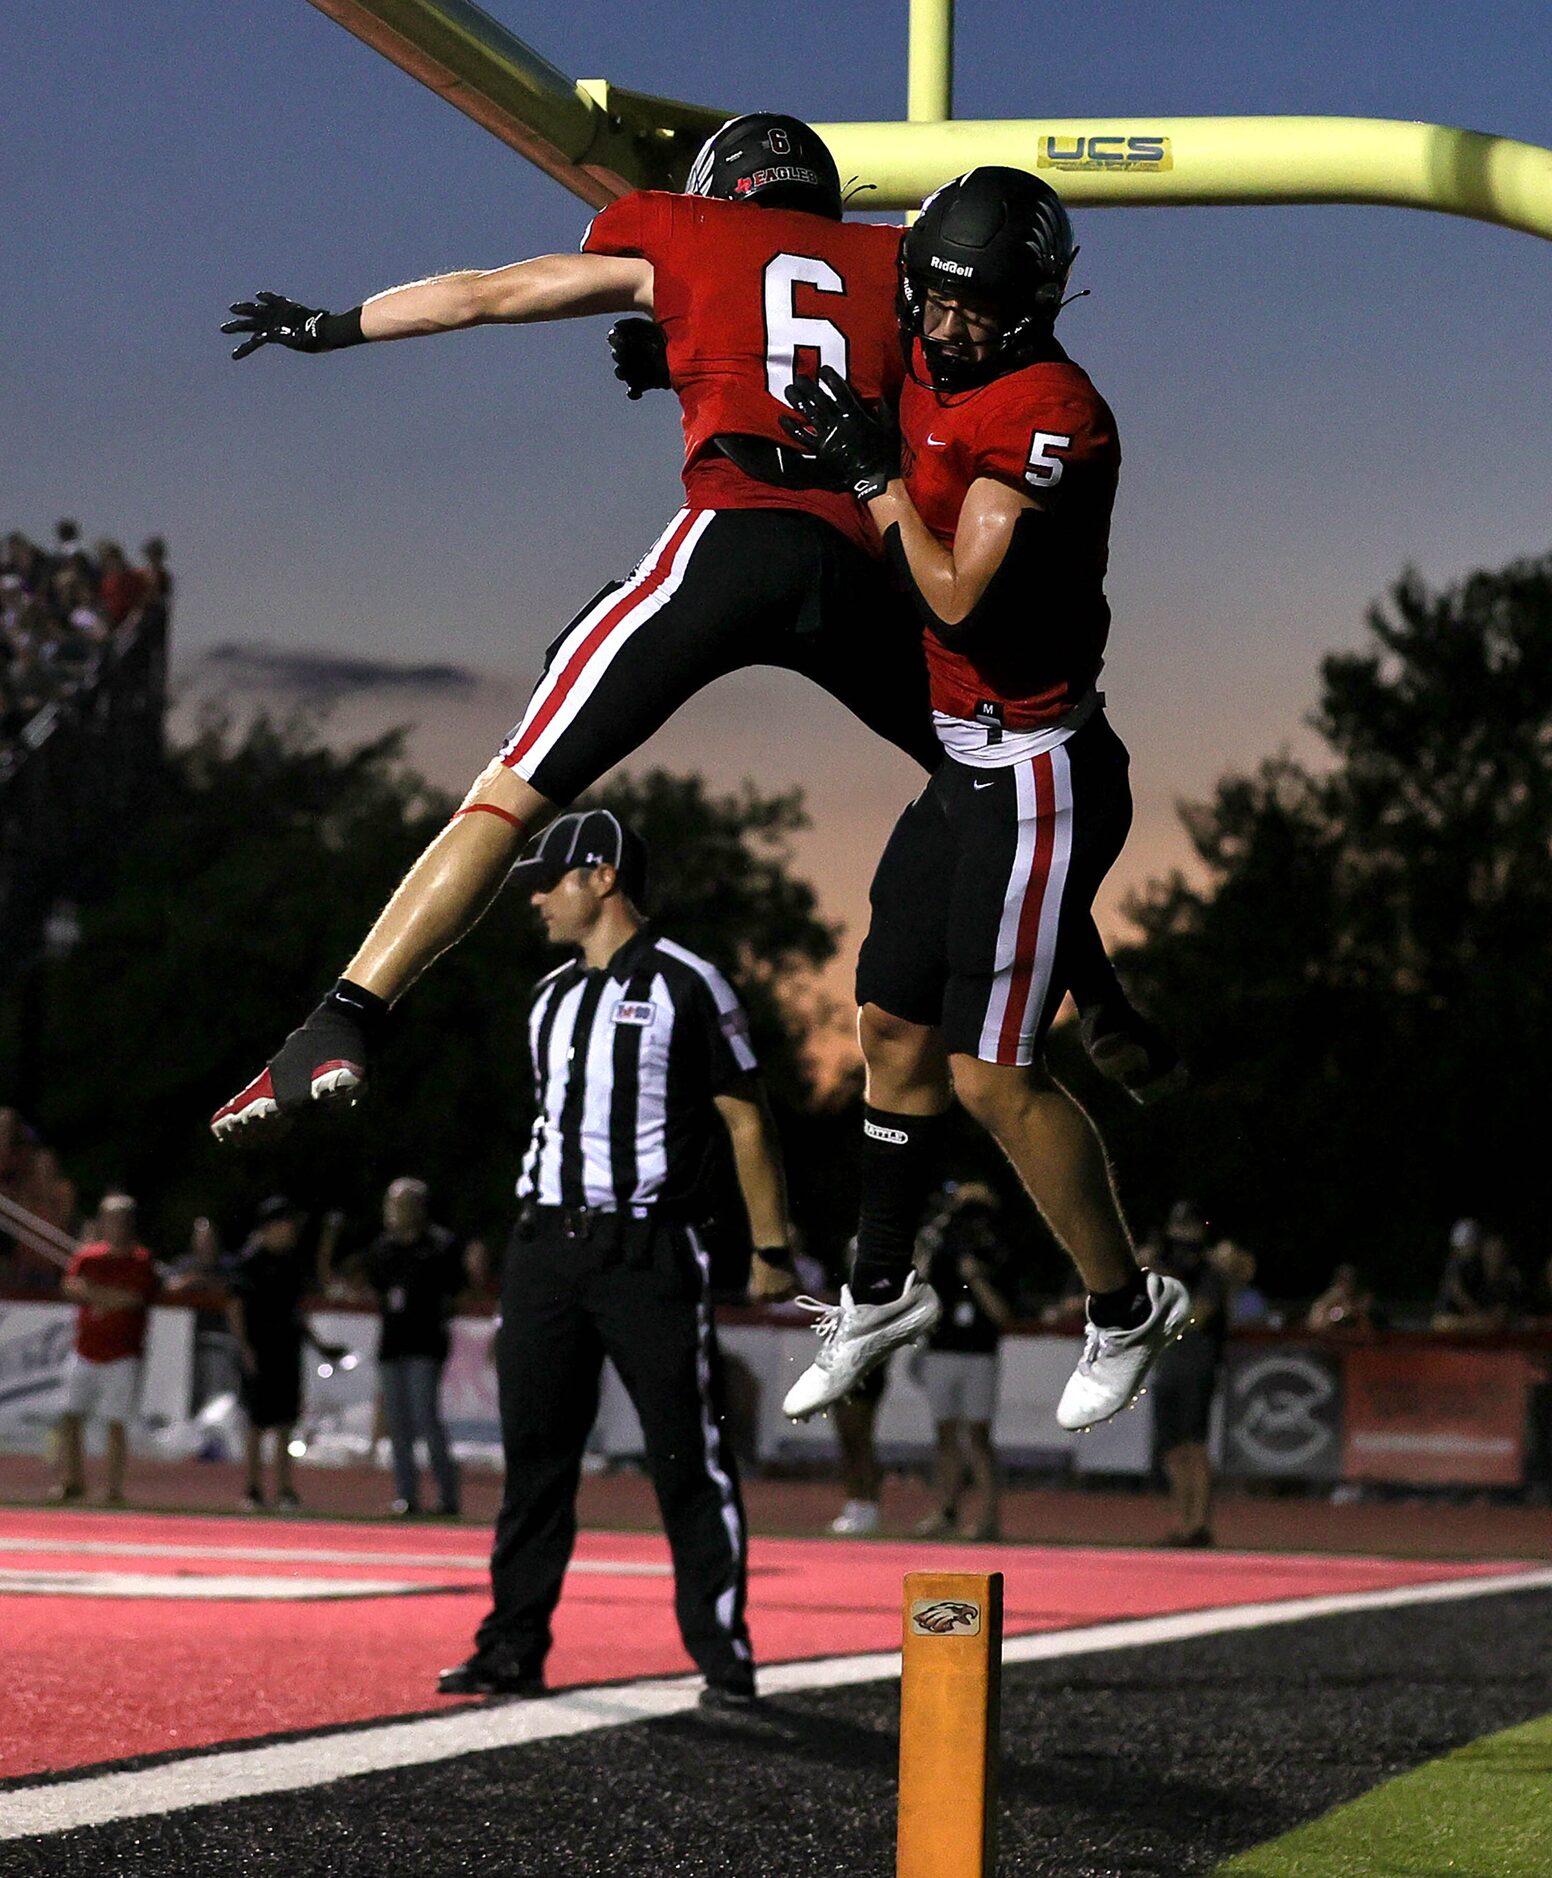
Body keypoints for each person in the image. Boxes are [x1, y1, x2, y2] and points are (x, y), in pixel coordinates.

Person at [210, 114, 1173, 1147]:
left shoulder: (678, 229)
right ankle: (1101, 997)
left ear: (721, 187)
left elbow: (484, 294)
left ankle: (341, 1020)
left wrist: (331, 326)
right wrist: (688, 358)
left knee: (519, 783)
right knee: (994, 784)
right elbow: (924, 390)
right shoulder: (902, 264)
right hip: (860, 560)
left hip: (733, 539)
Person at [776, 167, 1189, 1427]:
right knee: (887, 1032)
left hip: (1036, 768)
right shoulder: (922, 351)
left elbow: (955, 593)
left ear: (1033, 305)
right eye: (934, 301)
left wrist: (874, 481)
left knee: (989, 1076)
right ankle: (876, 1288)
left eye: (974, 309)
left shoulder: (1051, 409)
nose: (944, 328)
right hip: (963, 761)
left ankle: (1126, 1307)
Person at [436, 809, 796, 1708]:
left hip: (647, 1248)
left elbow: (746, 1118)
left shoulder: (688, 983)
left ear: (602, 877)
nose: (535, 896)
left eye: (549, 878)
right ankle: (512, 1646)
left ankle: (722, 1651)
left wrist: (771, 1248)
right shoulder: (549, 997)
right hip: (546, 1248)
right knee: (536, 1462)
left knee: (686, 1456)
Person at [354, 1176, 467, 1517]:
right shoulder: (384, 1248)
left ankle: (447, 1496)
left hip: (425, 1343)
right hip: (393, 1342)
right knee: (397, 1423)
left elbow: (457, 1290)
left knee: (426, 1419)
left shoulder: (440, 1245)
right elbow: (375, 1288)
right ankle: (407, 1495)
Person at [911, 1182, 1013, 1542]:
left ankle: (989, 1517)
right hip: (942, 1350)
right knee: (945, 1436)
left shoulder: (995, 1250)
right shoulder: (941, 1248)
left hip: (979, 1354)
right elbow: (917, 1285)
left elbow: (1002, 1314)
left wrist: (977, 1278)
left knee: (979, 1437)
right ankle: (946, 1510)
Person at [227, 1196, 340, 1510]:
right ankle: (252, 1488)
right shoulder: (250, 1262)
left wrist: (318, 1345)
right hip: (260, 1349)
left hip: (286, 1350)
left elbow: (297, 1311)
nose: (292, 1231)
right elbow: (235, 1307)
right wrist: (245, 1348)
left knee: (285, 1422)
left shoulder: (291, 1263)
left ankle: (285, 1489)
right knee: (256, 1422)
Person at [52, 1193, 157, 1505]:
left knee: (116, 1422)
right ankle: (73, 1482)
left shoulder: (140, 1260)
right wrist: (109, 1298)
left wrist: (95, 1296)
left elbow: (134, 1298)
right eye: (112, 1220)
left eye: (123, 1221)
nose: (118, 1227)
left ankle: (112, 1487)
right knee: (70, 1416)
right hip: (85, 1349)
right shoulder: (88, 1257)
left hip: (121, 1354)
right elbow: (71, 1287)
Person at [1144, 1202, 1227, 1547]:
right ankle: (1181, 1522)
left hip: (1196, 1366)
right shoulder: (1163, 1270)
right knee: (1172, 1451)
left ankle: (1199, 1524)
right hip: (1167, 1366)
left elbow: (1200, 1317)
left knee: (1194, 1447)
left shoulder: (1208, 1272)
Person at [1432, 1223, 1523, 1332]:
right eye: (1490, 1250)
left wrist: (1474, 1320)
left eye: (1498, 1251)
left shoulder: (1508, 1281)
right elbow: (1440, 1322)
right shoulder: (1471, 1274)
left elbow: (1498, 1321)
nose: (1494, 1255)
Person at [1306, 1261, 1376, 1333]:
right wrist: (1344, 1311)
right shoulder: (1329, 1298)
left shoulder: (1360, 1296)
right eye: (1343, 1278)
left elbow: (1367, 1329)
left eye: (1350, 1279)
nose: (1346, 1282)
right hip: (1330, 1338)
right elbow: (1315, 1323)